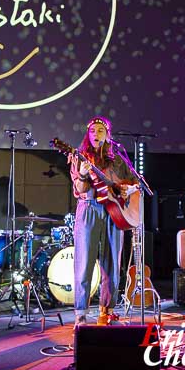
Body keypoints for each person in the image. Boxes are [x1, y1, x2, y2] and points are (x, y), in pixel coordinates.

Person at [69, 116, 140, 326]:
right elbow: (79, 190)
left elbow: (134, 181)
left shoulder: (117, 158)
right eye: (92, 131)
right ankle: (81, 313)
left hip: (114, 211)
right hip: (89, 209)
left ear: (107, 134)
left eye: (100, 131)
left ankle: (107, 311)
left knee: (112, 265)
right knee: (84, 263)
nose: (95, 135)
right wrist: (82, 176)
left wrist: (130, 188)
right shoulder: (80, 157)